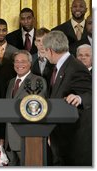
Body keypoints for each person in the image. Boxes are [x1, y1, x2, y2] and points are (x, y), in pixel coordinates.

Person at [43, 30, 92, 166]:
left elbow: (91, 93)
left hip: (74, 142)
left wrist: (80, 98)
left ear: (50, 50)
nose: (45, 55)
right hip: (61, 138)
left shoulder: (76, 67)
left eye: (45, 52)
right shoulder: (60, 67)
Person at [5, 50, 47, 166]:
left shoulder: (38, 81)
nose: (19, 64)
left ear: (30, 63)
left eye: (23, 61)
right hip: (9, 141)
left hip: (27, 140)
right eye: (16, 62)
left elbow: (39, 113)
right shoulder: (11, 82)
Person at [0, 18, 18, 87]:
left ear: (7, 31)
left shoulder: (16, 51)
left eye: (4, 30)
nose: (1, 33)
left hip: (10, 89)